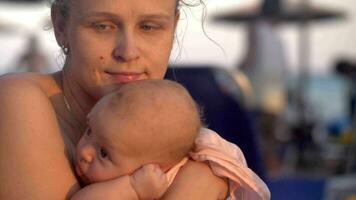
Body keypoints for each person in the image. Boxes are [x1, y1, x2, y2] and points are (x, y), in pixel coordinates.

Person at [0, 0, 230, 199]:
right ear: (61, 27)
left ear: (174, 27)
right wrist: (196, 185)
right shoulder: (17, 100)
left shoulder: (170, 126)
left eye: (149, 27)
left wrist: (207, 176)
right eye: (103, 26)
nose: (128, 52)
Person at [72, 79, 270, 200]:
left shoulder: (169, 181)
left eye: (104, 153)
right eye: (89, 131)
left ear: (157, 167)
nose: (85, 152)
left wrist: (134, 187)